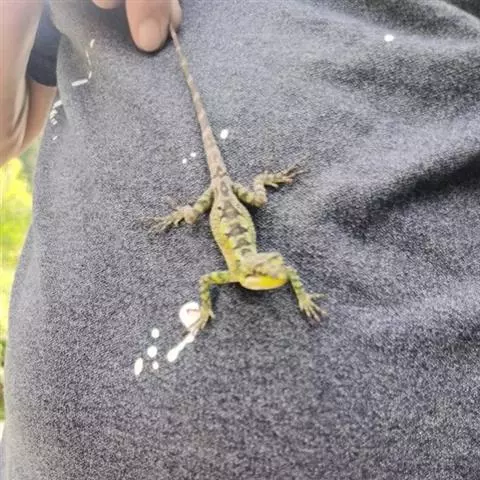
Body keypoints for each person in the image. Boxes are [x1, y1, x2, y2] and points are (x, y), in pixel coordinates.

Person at [1, 0, 480, 478]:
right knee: (209, 209)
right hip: (219, 198)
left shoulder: (254, 269)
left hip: (230, 203)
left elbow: (278, 274)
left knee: (247, 201)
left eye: (271, 269)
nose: (276, 271)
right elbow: (207, 281)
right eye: (269, 269)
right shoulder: (232, 272)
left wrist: (300, 294)